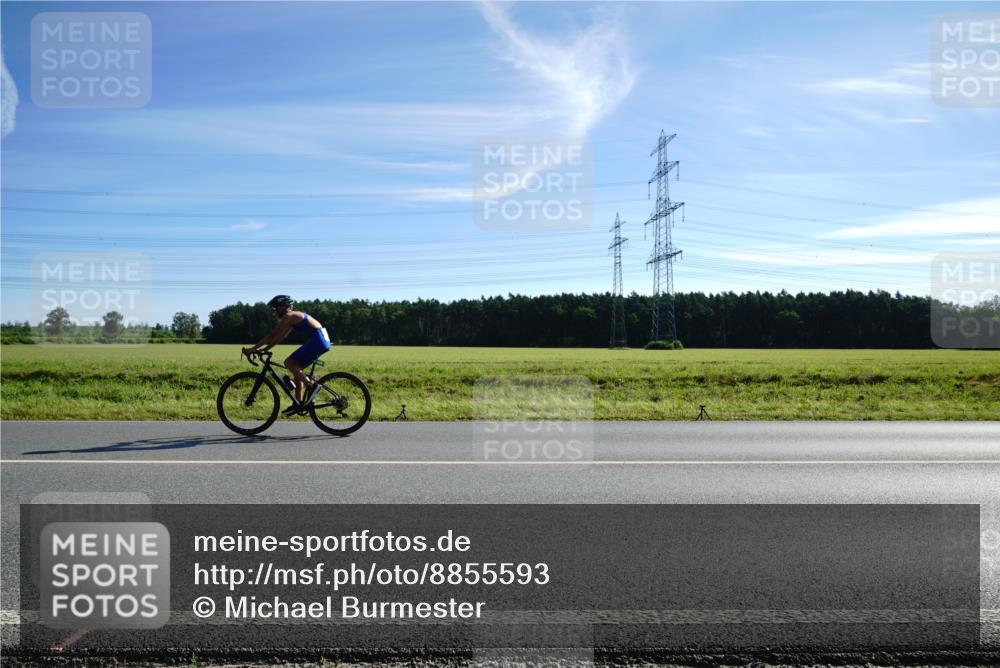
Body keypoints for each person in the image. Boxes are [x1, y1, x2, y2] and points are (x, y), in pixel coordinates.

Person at [242, 295, 331, 415]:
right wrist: (265, 349)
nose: (274, 311)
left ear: (283, 307)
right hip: (320, 339)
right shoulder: (292, 318)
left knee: (289, 363)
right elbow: (280, 337)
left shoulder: (289, 316)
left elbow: (272, 334)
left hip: (317, 339)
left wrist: (253, 349)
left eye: (276, 308)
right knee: (297, 371)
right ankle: (298, 404)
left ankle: (312, 385)